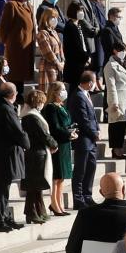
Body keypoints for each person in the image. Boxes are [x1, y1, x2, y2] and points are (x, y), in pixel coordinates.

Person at [0, 81, 26, 231]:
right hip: (3, 156)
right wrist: (26, 143)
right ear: (12, 94)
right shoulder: (5, 109)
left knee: (5, 189)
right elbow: (17, 131)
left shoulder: (2, 106)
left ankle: (5, 217)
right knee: (1, 189)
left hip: (2, 154)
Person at [20, 89, 56, 225]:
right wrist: (54, 144)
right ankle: (31, 212)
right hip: (35, 153)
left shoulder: (32, 115)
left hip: (37, 152)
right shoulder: (31, 117)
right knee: (33, 186)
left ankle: (40, 210)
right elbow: (43, 135)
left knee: (37, 185)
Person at [67, 71, 101, 209]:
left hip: (91, 139)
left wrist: (97, 129)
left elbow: (92, 115)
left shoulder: (86, 95)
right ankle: (78, 198)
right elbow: (83, 119)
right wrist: (94, 133)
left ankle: (87, 195)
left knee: (91, 167)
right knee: (81, 169)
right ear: (90, 83)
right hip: (83, 139)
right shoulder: (78, 96)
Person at [44, 82, 74, 216]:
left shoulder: (61, 106)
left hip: (65, 144)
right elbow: (54, 127)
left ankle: (59, 204)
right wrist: (68, 133)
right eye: (62, 90)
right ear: (55, 92)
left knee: (62, 177)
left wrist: (72, 131)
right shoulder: (50, 108)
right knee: (56, 176)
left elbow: (66, 123)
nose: (64, 92)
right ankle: (54, 204)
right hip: (57, 145)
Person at [0, 0, 37, 81]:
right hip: (16, 49)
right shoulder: (12, 5)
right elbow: (4, 27)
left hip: (27, 49)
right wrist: (7, 43)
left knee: (23, 79)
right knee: (16, 79)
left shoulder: (29, 6)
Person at [102, 38, 126, 159]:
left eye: (125, 50)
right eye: (121, 50)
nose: (124, 53)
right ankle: (115, 149)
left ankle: (120, 148)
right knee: (115, 125)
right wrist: (113, 102)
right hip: (117, 98)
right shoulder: (110, 65)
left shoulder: (124, 63)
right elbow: (111, 86)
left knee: (122, 125)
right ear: (115, 51)